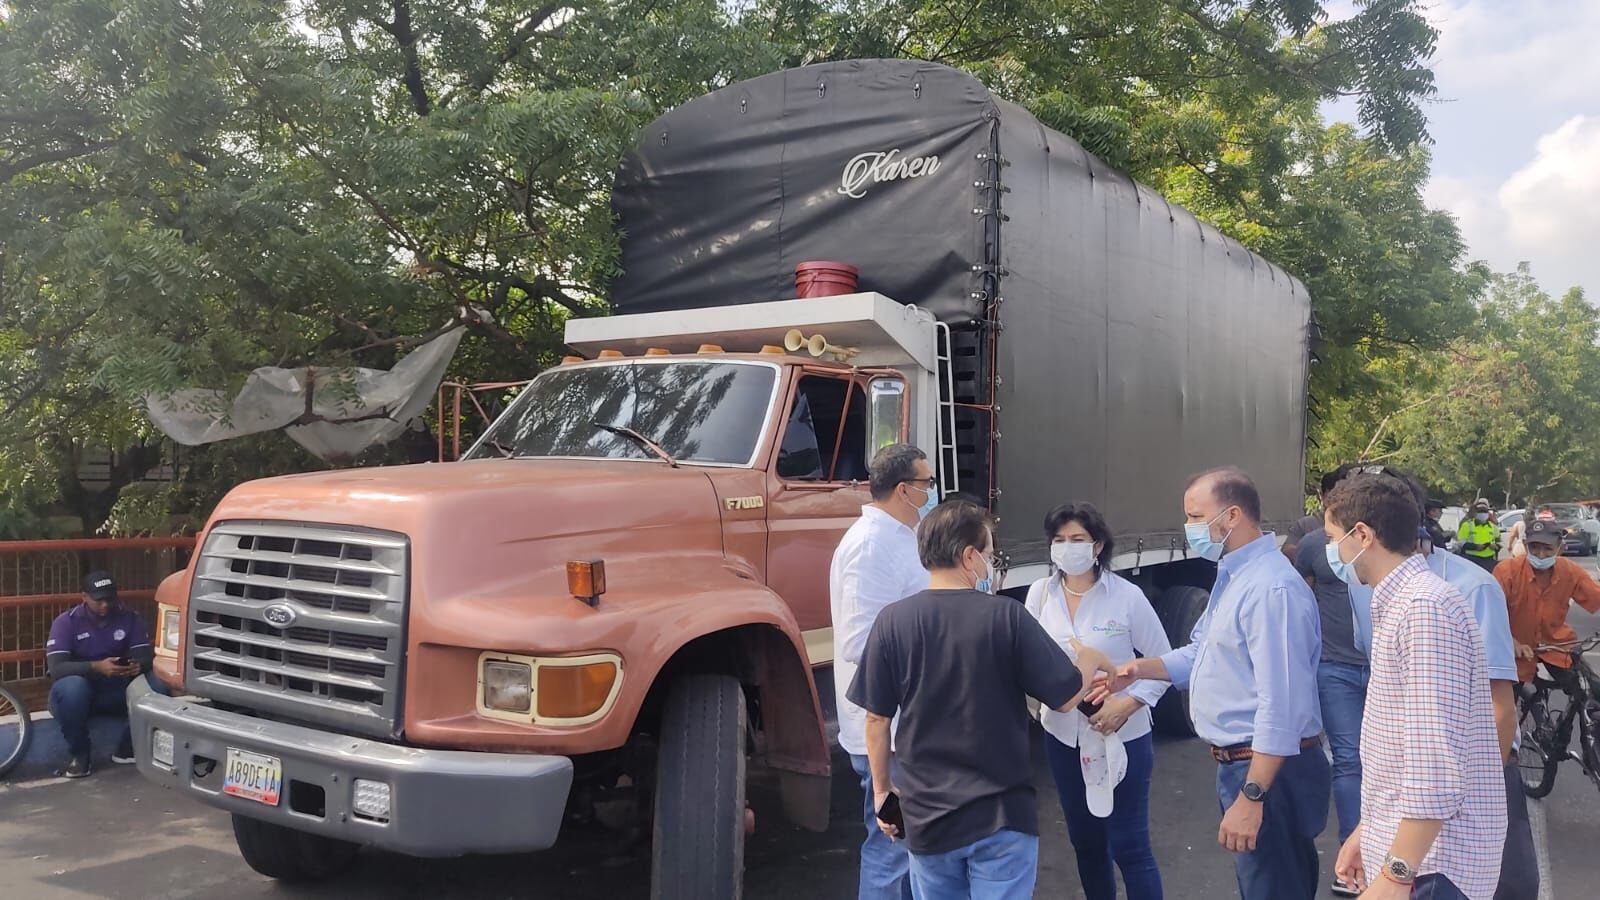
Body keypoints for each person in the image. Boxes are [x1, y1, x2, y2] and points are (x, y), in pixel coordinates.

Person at [848, 500, 1116, 900]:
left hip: (928, 820)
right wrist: (1089, 661)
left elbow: (876, 720)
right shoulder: (1006, 616)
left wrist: (883, 790)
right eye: (989, 553)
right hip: (1002, 817)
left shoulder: (892, 621)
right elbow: (1064, 698)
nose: (991, 562)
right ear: (969, 556)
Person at [1102, 467, 1327, 900]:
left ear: (1232, 516)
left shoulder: (1271, 588)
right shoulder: (1236, 576)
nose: (1188, 527)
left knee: (1274, 888)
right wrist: (1138, 669)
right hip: (1246, 765)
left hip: (1269, 771)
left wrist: (1254, 795)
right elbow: (1202, 652)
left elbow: (1282, 705)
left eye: (1195, 516)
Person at [1346, 469, 1533, 900]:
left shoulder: (1449, 596)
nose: (1331, 550)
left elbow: (1493, 713)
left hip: (1444, 840)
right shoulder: (1373, 589)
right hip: (1409, 826)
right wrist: (1372, 828)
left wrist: (1404, 862)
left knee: (1514, 885)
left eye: (1334, 536)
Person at [1024, 502, 1169, 900]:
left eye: (1077, 539)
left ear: (1098, 545)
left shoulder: (1127, 597)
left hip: (1124, 736)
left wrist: (1129, 703)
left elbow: (1164, 663)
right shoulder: (1040, 594)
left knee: (1130, 846)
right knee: (1086, 843)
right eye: (1059, 540)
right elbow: (1029, 661)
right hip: (1063, 737)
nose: (1067, 547)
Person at [830, 442, 935, 900]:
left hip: (902, 724)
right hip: (885, 732)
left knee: (911, 851)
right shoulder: (870, 546)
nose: (931, 492)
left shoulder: (899, 536)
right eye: (927, 484)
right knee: (890, 849)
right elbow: (860, 642)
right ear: (904, 489)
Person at [1290, 468, 1367, 897]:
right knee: (1349, 761)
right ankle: (1353, 863)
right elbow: (1302, 604)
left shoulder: (1377, 542)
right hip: (1336, 668)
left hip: (1384, 668)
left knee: (1393, 763)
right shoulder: (1314, 547)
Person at [45, 571, 171, 778]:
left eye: (110, 599)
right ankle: (80, 755)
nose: (105, 605)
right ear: (84, 597)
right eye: (99, 600)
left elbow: (145, 657)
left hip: (116, 690)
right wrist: (96, 667)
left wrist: (137, 666)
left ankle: (128, 748)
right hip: (75, 697)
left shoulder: (130, 618)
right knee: (73, 687)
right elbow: (57, 669)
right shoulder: (66, 622)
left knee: (158, 683)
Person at [1494, 519, 1600, 701]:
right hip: (1512, 653)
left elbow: (1595, 596)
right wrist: (1512, 643)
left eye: (1548, 549)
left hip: (1557, 649)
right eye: (1534, 548)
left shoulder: (1570, 571)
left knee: (1591, 692)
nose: (1541, 554)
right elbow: (1489, 617)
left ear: (1560, 548)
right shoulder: (1506, 572)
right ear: (1525, 545)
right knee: (1504, 709)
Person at [1282, 466, 1351, 561]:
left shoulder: (1358, 526)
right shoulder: (1306, 524)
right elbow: (1286, 551)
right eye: (1335, 495)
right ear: (1322, 495)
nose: (1340, 501)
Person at [1457, 499, 1501, 573]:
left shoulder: (1493, 527)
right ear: (1475, 513)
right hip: (1472, 560)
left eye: (1484, 511)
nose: (1482, 514)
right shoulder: (1467, 525)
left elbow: (1499, 542)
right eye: (1480, 511)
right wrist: (1475, 547)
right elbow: (1460, 543)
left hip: (1489, 561)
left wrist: (1496, 546)